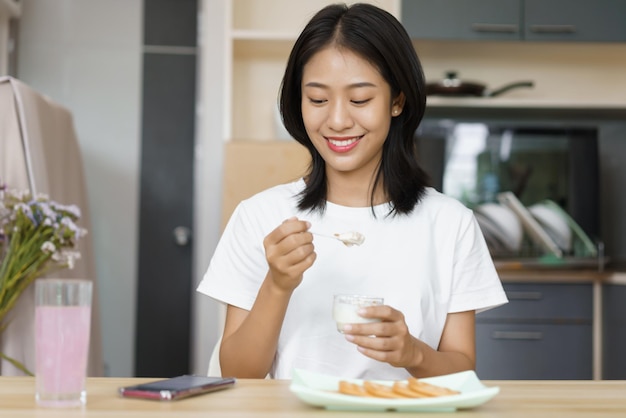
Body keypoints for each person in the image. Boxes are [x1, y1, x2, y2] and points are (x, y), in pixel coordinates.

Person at [197, 3, 507, 380]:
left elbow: (461, 369)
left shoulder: (449, 223)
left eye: (360, 100)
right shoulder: (261, 216)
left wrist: (414, 354)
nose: (338, 120)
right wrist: (277, 285)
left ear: (397, 101)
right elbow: (239, 373)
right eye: (317, 100)